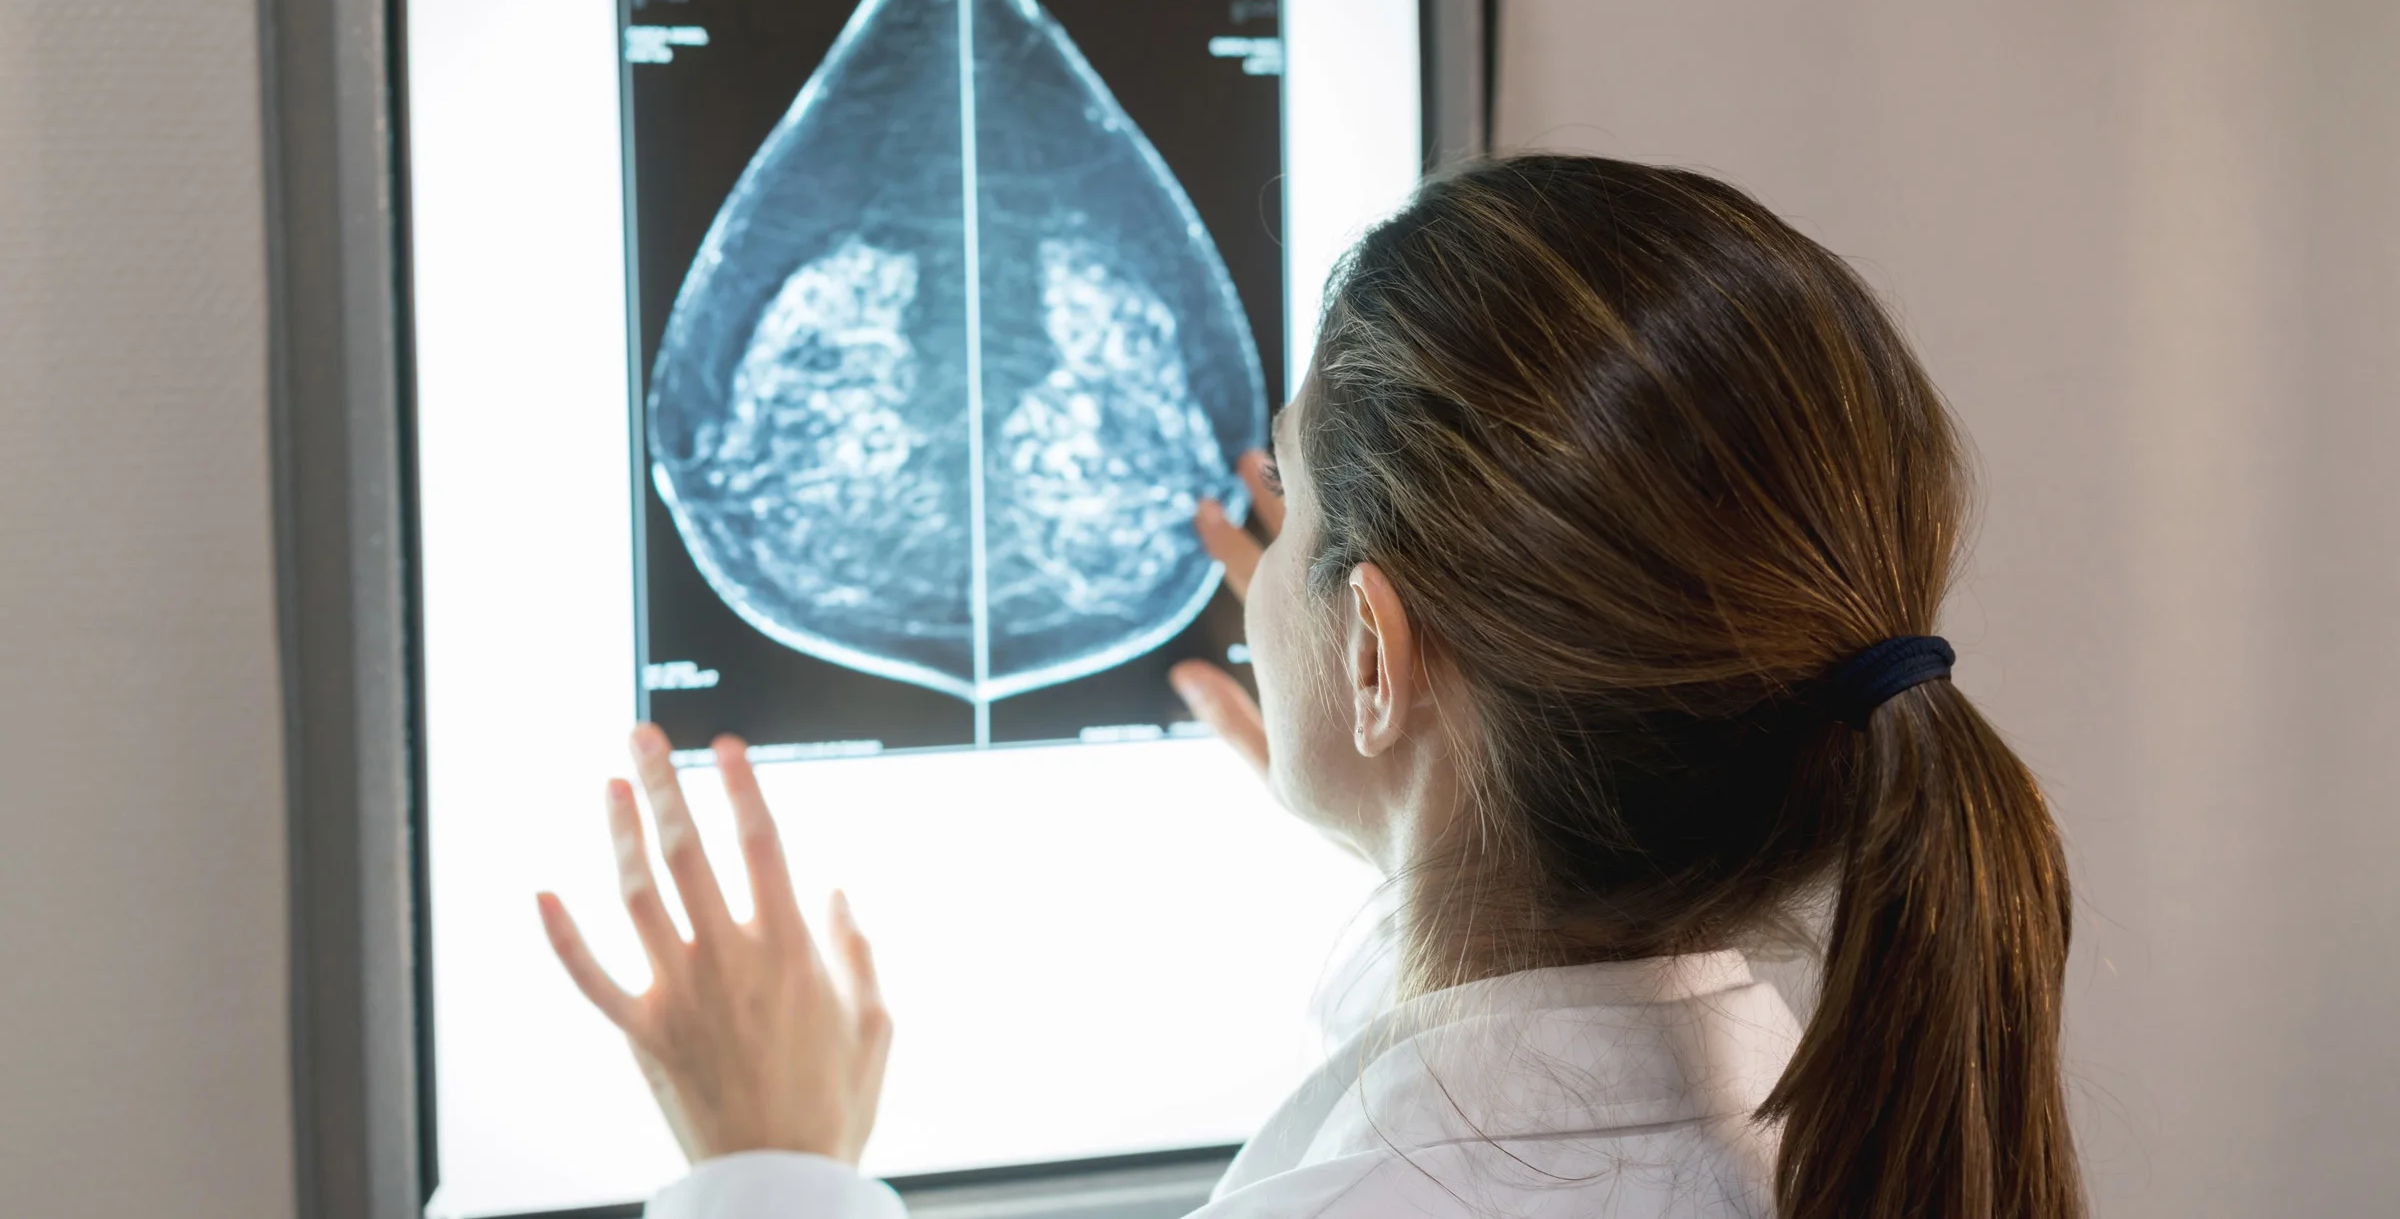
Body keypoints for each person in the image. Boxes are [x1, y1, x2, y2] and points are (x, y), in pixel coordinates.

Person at [535, 155, 2085, 1219]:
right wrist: (1400, 772)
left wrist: (767, 1161)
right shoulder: (1850, 1118)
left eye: (1288, 499)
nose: (1253, 547)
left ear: (1374, 651)